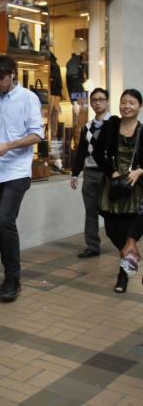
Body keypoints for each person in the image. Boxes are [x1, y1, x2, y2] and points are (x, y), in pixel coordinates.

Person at [0, 55, 44, 302]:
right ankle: (8, 275)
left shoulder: (29, 98)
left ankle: (14, 279)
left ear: (13, 74)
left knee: (6, 220)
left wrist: (9, 146)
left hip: (17, 171)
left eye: (1, 78)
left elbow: (37, 135)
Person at [97, 89, 143, 293]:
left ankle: (123, 274)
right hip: (114, 185)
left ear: (140, 107)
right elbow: (98, 153)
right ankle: (130, 251)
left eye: (131, 103)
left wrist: (140, 171)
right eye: (123, 102)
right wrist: (112, 172)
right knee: (111, 229)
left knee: (127, 229)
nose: (126, 106)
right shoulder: (111, 125)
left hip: (135, 188)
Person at [70, 88, 112, 258]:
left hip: (109, 173)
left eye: (101, 99)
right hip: (90, 173)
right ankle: (93, 245)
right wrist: (75, 173)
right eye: (94, 100)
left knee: (110, 209)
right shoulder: (87, 127)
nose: (98, 103)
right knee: (90, 210)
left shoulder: (115, 123)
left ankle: (121, 240)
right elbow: (81, 151)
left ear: (107, 101)